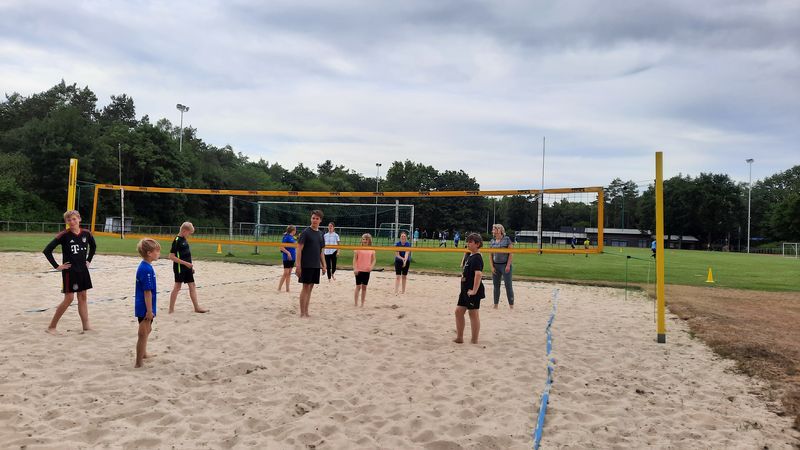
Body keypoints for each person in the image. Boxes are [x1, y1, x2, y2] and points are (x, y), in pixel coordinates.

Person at [43, 210, 97, 334]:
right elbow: (47, 250)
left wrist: (88, 260)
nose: (72, 222)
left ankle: (86, 326)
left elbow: (93, 247)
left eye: (74, 219)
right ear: (66, 222)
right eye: (69, 220)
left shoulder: (86, 233)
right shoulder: (64, 235)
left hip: (82, 270)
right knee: (69, 298)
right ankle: (51, 327)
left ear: (79, 219)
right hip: (70, 271)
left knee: (82, 297)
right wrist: (57, 266)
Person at [168, 222, 208, 313]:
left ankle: (196, 307)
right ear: (184, 231)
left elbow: (186, 255)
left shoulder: (184, 239)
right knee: (177, 287)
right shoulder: (177, 240)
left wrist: (190, 267)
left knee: (192, 286)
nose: (189, 235)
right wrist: (185, 263)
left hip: (187, 267)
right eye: (189, 233)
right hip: (179, 268)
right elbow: (171, 256)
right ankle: (171, 309)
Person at [454, 233, 485, 344]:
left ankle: (474, 340)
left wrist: (474, 291)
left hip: (472, 291)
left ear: (477, 244)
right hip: (465, 290)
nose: (468, 243)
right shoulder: (470, 255)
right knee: (458, 312)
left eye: (470, 242)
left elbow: (478, 275)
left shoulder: (477, 257)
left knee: (473, 313)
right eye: (468, 241)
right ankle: (460, 337)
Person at [135, 238, 160, 368]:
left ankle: (144, 353)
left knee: (147, 329)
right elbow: (147, 292)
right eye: (157, 251)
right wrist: (149, 311)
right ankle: (138, 362)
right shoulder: (146, 269)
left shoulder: (146, 266)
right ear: (149, 253)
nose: (159, 253)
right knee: (143, 333)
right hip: (145, 307)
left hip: (147, 305)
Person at [296, 210, 326, 318]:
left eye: (317, 218)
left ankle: (306, 311)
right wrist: (298, 265)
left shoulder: (321, 234)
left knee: (311, 288)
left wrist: (324, 265)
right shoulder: (305, 232)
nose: (314, 220)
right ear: (311, 219)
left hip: (315, 265)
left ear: (320, 220)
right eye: (313, 218)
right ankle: (302, 312)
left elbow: (321, 251)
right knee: (305, 287)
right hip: (306, 264)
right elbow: (299, 249)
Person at [489, 224, 515, 309]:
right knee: (496, 286)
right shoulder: (492, 241)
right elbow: (490, 255)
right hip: (496, 265)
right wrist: (492, 267)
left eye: (495, 228)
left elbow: (511, 253)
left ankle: (511, 306)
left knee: (508, 285)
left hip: (505, 265)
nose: (494, 230)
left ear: (500, 230)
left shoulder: (507, 239)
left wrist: (508, 265)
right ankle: (495, 305)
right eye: (493, 228)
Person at [353, 233, 376, 307]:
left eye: (366, 239)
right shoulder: (358, 248)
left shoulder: (372, 249)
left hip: (367, 271)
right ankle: (356, 303)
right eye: (363, 239)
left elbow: (374, 260)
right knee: (358, 287)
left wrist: (371, 267)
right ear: (361, 240)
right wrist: (355, 268)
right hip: (359, 270)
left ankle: (362, 304)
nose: (365, 240)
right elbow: (354, 259)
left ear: (369, 240)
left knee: (364, 287)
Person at [278, 225, 297, 292]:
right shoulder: (286, 237)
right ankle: (279, 288)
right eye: (295, 230)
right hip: (287, 257)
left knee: (289, 273)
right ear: (293, 230)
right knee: (286, 273)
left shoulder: (293, 238)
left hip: (293, 257)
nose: (296, 231)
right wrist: (288, 253)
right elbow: (281, 247)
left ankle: (287, 289)